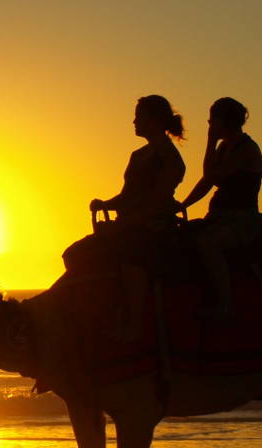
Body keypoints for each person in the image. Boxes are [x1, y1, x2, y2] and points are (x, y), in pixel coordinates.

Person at [89, 94, 186, 339]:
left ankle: (134, 324)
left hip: (153, 227)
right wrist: (105, 204)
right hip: (128, 224)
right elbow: (127, 196)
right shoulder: (138, 155)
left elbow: (156, 203)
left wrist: (120, 227)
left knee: (132, 257)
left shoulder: (171, 159)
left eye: (138, 116)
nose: (133, 121)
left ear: (153, 119)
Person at [178, 97, 262, 318]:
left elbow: (212, 175)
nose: (209, 124)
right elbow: (206, 183)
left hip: (242, 221)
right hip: (218, 217)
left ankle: (226, 304)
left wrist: (209, 142)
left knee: (208, 244)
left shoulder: (247, 150)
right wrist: (182, 205)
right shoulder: (225, 147)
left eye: (212, 120)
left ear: (223, 121)